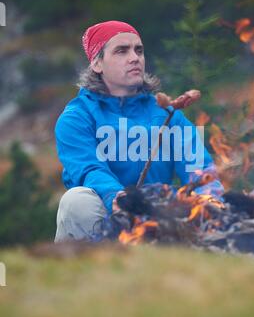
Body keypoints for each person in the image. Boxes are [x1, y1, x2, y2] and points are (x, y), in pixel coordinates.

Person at [54, 20, 224, 242]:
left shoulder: (168, 114)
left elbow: (199, 168)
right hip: (105, 215)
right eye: (121, 51)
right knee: (76, 200)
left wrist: (211, 199)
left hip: (159, 216)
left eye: (139, 50)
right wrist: (119, 198)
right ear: (97, 63)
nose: (135, 57)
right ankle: (86, 269)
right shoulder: (77, 118)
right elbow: (89, 169)